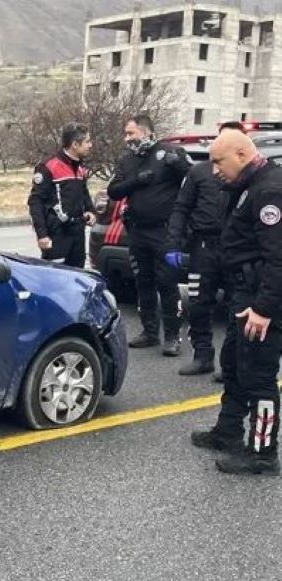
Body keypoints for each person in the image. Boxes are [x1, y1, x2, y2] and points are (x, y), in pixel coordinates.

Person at [196, 130, 282, 475]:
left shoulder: (269, 191)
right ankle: (228, 431)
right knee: (233, 363)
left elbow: (278, 259)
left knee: (258, 376)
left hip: (262, 299)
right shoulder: (247, 187)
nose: (214, 169)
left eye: (219, 161)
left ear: (242, 154)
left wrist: (264, 310)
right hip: (244, 293)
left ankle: (262, 452)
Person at [163, 122, 247, 376]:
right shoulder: (199, 172)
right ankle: (202, 356)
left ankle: (231, 363)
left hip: (236, 249)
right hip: (203, 247)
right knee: (199, 304)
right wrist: (173, 244)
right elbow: (181, 208)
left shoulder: (248, 175)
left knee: (237, 306)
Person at [107, 114, 191, 356]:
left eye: (131, 133)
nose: (127, 138)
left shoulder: (170, 153)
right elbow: (114, 190)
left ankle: (173, 337)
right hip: (138, 231)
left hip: (163, 231)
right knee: (143, 282)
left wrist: (179, 165)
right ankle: (149, 332)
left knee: (167, 283)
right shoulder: (128, 160)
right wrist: (135, 181)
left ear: (146, 132)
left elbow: (192, 179)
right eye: (126, 134)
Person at [27, 122, 97, 267]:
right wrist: (42, 234)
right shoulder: (48, 166)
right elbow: (36, 201)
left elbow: (83, 191)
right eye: (87, 142)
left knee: (78, 276)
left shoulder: (80, 166)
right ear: (75, 144)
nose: (90, 146)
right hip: (57, 233)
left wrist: (90, 210)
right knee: (56, 277)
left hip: (78, 231)